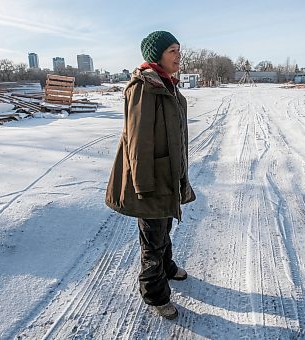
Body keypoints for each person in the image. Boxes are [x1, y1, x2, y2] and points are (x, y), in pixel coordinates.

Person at [105, 30, 195, 320]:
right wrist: (142, 184)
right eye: (172, 50)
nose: (178, 55)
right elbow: (137, 140)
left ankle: (166, 268)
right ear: (157, 55)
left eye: (179, 50)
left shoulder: (166, 84)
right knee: (152, 240)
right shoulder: (143, 87)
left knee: (164, 226)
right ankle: (154, 293)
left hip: (167, 172)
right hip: (150, 177)